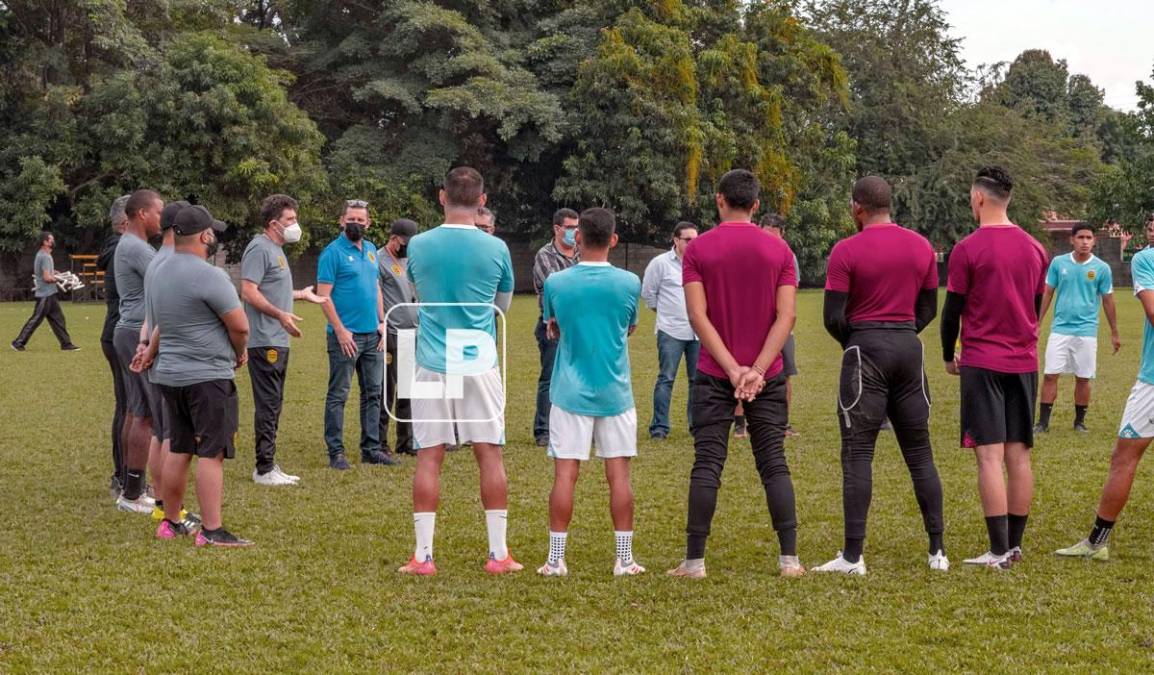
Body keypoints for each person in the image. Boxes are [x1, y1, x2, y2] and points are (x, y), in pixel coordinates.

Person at [668, 169, 803, 579]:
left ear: (719, 200)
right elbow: (787, 316)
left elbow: (697, 315)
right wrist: (758, 370)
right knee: (774, 463)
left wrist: (731, 369)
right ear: (757, 205)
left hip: (713, 371)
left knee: (707, 463)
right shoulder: (779, 251)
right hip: (768, 373)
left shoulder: (698, 250)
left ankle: (694, 562)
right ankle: (789, 560)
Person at [812, 176, 947, 575]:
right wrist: (900, 334)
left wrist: (860, 341)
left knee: (858, 455)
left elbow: (832, 317)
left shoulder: (846, 250)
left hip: (865, 350)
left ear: (857, 207)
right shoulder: (921, 246)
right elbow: (929, 309)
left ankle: (853, 557)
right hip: (908, 349)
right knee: (920, 453)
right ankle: (937, 551)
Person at [399, 166, 519, 576]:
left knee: (429, 457)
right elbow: (500, 307)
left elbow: (417, 295)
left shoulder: (418, 245)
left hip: (431, 358)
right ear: (482, 201)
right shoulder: (496, 249)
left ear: (441, 196)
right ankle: (497, 554)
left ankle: (423, 556)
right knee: (489, 454)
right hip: (477, 357)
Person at [940, 166, 1048, 570]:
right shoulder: (1036, 248)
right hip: (1023, 362)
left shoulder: (967, 249)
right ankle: (1014, 546)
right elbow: (1036, 307)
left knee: (989, 457)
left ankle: (999, 549)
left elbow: (952, 312)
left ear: (979, 198)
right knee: (1019, 455)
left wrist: (948, 352)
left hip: (982, 362)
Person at [537, 207, 645, 577]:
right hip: (615, 392)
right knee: (619, 475)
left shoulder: (556, 283)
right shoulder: (630, 283)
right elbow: (629, 327)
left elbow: (553, 325)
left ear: (578, 237)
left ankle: (556, 560)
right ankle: (624, 558)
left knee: (565, 475)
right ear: (613, 240)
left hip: (569, 391)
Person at [139, 205, 253, 546]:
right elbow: (240, 326)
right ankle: (213, 530)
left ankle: (171, 521)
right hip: (206, 375)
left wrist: (151, 352)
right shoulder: (210, 275)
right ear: (205, 236)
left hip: (170, 375)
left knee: (178, 447)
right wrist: (239, 351)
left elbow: (159, 322)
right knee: (211, 452)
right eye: (212, 232)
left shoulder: (158, 270)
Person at [1054, 233, 1154, 562]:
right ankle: (1097, 542)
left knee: (1124, 458)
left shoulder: (1145, 259)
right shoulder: (1144, 258)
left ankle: (1097, 542)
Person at [241, 194, 329, 485]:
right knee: (268, 403)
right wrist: (280, 314)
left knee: (275, 402)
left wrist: (300, 296)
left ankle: (270, 464)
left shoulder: (277, 249)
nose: (295, 225)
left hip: (278, 338)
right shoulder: (259, 248)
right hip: (264, 339)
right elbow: (249, 291)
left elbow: (270, 291)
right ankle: (263, 469)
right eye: (290, 220)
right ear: (273, 224)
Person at [317, 199, 393, 469]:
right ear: (341, 221)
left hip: (372, 335)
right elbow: (323, 297)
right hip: (345, 338)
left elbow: (376, 287)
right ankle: (336, 452)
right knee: (339, 394)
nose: (356, 224)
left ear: (368, 223)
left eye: (361, 220)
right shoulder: (332, 253)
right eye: (351, 219)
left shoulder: (371, 250)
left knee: (373, 393)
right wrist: (340, 330)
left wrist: (381, 322)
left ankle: (371, 448)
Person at [1034, 223, 1120, 433]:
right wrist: (1037, 322)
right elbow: (1047, 293)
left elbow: (1108, 300)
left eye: (1089, 238)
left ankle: (1079, 422)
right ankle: (1043, 423)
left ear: (1094, 241)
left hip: (1087, 331)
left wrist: (1114, 331)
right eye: (1080, 237)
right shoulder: (1058, 263)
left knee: (1083, 377)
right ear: (1072, 240)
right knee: (1050, 375)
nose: (1084, 242)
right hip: (1060, 329)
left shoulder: (1101, 268)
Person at [113, 189, 164, 514]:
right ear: (142, 214)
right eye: (159, 212)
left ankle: (131, 489)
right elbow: (168, 276)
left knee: (136, 411)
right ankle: (132, 495)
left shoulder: (132, 246)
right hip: (136, 332)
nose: (163, 218)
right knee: (143, 415)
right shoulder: (135, 248)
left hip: (128, 329)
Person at [641, 221, 699, 440]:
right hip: (671, 331)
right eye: (688, 240)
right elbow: (648, 293)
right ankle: (659, 427)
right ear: (676, 240)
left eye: (696, 239)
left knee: (697, 381)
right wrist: (665, 313)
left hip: (698, 332)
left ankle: (696, 425)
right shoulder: (660, 264)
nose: (693, 244)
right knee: (666, 378)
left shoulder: (701, 262)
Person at [531, 208, 581, 447]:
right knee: (550, 378)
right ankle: (543, 430)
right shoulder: (545, 255)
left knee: (580, 377)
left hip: (581, 326)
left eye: (577, 227)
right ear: (557, 228)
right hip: (553, 325)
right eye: (570, 227)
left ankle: (575, 427)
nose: (575, 232)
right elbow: (556, 290)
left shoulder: (583, 253)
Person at [378, 218, 419, 458]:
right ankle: (381, 441)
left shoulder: (411, 260)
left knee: (408, 389)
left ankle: (406, 440)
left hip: (412, 330)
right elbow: (377, 295)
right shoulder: (379, 260)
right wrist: (381, 323)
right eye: (404, 243)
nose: (406, 248)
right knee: (387, 389)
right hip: (390, 331)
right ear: (394, 238)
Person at [98, 196, 130, 496]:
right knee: (129, 407)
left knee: (128, 405)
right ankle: (123, 477)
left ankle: (124, 475)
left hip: (116, 333)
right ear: (125, 222)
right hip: (121, 334)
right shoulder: (122, 250)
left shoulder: (118, 248)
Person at [759, 213, 800, 437]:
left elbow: (790, 291)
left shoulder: (788, 257)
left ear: (783, 236)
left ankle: (783, 424)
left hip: (782, 327)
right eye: (767, 235)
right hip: (754, 326)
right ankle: (741, 424)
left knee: (784, 375)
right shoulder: (751, 253)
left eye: (775, 236)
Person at [10, 231, 79, 352]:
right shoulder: (45, 256)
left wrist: (55, 273)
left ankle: (66, 344)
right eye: (51, 240)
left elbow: (46, 273)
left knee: (58, 319)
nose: (53, 241)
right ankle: (18, 343)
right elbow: (47, 278)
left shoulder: (43, 255)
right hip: (45, 294)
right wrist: (60, 279)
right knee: (36, 319)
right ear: (45, 242)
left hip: (50, 294)